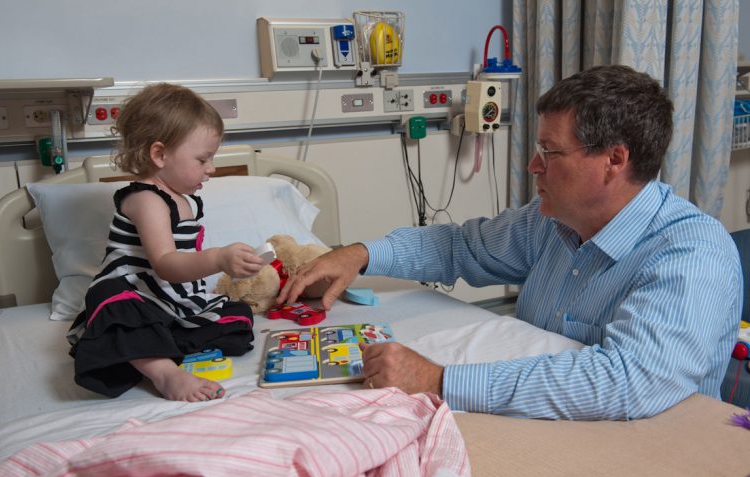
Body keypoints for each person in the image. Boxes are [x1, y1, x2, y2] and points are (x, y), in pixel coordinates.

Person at [278, 65, 743, 420]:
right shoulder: (552, 222)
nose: (533, 167)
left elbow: (627, 382)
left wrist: (438, 380)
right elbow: (458, 248)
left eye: (550, 152)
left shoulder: (691, 254)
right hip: (550, 425)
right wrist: (361, 254)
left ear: (614, 160)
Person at [67, 83, 265, 402]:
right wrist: (218, 259)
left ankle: (151, 350)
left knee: (237, 319)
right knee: (115, 305)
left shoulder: (186, 200)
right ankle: (164, 373)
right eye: (203, 159)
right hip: (137, 299)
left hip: (171, 301)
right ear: (159, 154)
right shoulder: (147, 200)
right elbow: (165, 264)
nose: (211, 169)